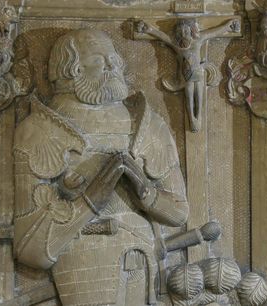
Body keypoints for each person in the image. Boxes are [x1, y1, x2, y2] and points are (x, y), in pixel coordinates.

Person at [13, 29, 189, 306]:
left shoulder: (147, 125)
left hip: (143, 265)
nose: (113, 65)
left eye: (114, 58)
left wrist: (146, 192)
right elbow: (29, 248)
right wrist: (89, 203)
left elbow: (179, 212)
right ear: (70, 69)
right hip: (84, 269)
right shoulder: (39, 130)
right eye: (99, 58)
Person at [138, 19, 240, 132]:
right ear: (177, 34)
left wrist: (228, 26)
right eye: (180, 32)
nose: (183, 35)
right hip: (187, 76)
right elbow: (162, 37)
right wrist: (149, 29)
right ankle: (192, 119)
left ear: (191, 31)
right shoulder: (177, 45)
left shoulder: (198, 40)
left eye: (185, 32)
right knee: (189, 98)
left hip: (199, 74)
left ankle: (198, 117)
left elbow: (214, 32)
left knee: (199, 98)